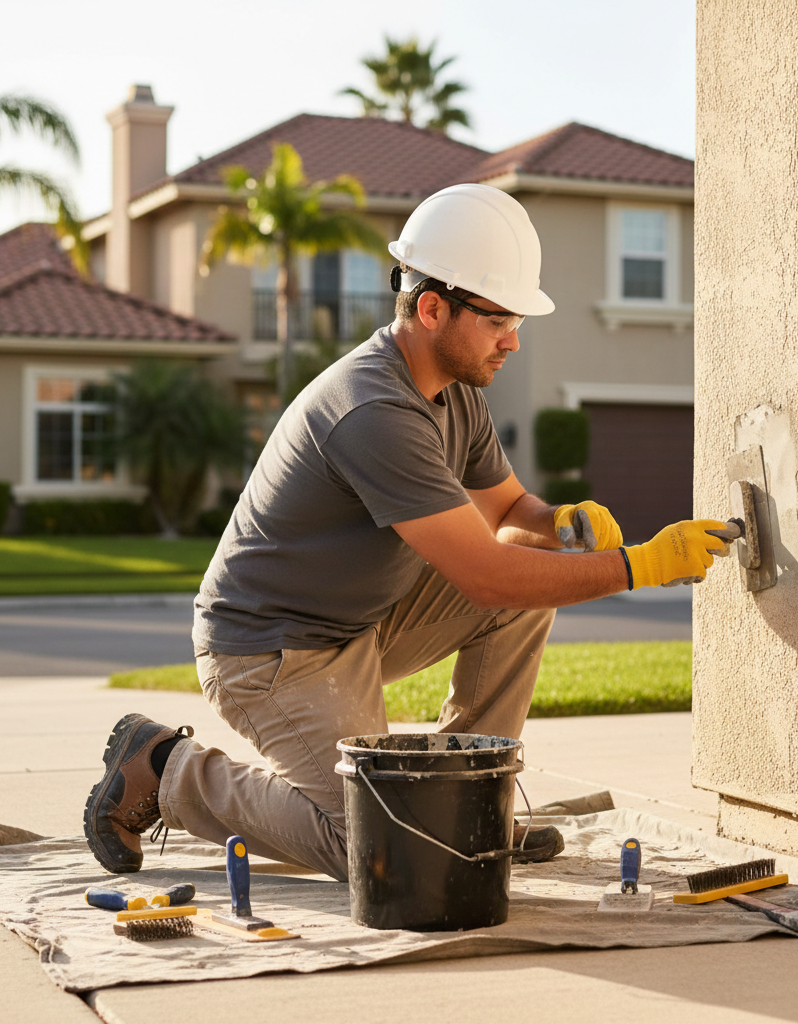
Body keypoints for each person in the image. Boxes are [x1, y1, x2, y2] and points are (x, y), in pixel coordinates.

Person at [84, 184, 730, 880]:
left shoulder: (456, 393)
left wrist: (559, 521)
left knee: (529, 581)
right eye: (498, 321)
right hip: (271, 652)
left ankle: (466, 799)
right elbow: (485, 574)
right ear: (431, 308)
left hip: (360, 622)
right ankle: (165, 768)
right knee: (374, 852)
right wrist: (643, 565)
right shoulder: (372, 408)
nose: (512, 340)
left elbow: (509, 511)